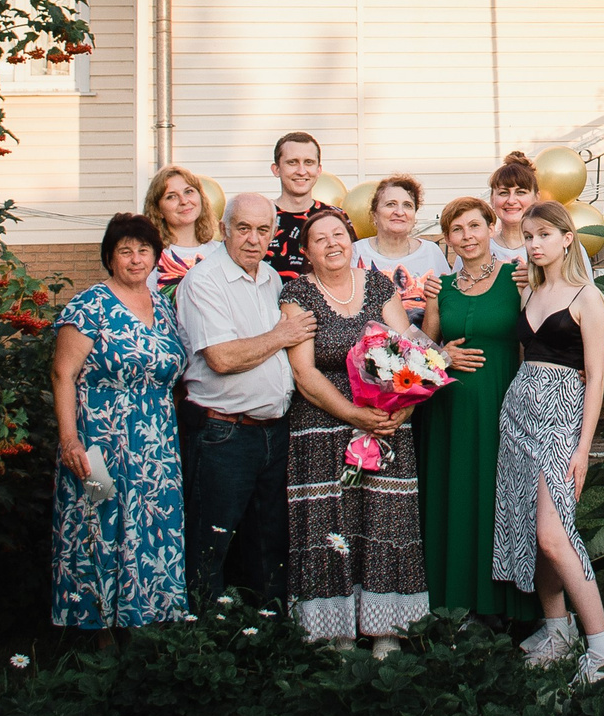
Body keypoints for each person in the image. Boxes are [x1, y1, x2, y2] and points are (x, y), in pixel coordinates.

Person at [279, 206, 429, 656]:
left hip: (384, 422)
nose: (332, 243)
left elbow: (407, 351)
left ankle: (387, 631)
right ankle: (334, 634)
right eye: (320, 239)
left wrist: (402, 406)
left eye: (339, 235)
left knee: (386, 519)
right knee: (330, 524)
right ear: (307, 251)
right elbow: (304, 373)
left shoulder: (379, 285)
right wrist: (352, 414)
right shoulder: (297, 294)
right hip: (322, 425)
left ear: (351, 239)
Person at [50, 213, 189, 637]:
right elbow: (62, 374)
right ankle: (97, 638)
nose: (135, 259)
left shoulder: (164, 307)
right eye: (124, 251)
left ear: (156, 257)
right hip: (99, 445)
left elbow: (175, 374)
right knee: (100, 526)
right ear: (109, 258)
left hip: (156, 448)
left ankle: (147, 629)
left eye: (143, 250)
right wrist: (69, 439)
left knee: (153, 529)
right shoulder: (90, 305)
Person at [494, 202, 604, 682]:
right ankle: (556, 630)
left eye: (544, 234)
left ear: (568, 238)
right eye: (527, 236)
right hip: (520, 410)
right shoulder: (532, 290)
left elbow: (596, 378)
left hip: (562, 414)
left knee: (553, 532)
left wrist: (584, 448)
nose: (534, 244)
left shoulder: (588, 298)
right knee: (531, 528)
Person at [175, 193, 313, 606]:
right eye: (243, 228)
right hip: (223, 433)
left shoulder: (270, 278)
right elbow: (221, 358)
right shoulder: (203, 282)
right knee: (210, 541)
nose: (253, 239)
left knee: (266, 540)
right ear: (223, 230)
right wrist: (282, 335)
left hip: (272, 432)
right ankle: (200, 647)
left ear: (273, 233)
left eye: (262, 229)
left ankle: (263, 636)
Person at [420, 197, 539, 623]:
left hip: (503, 403)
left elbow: (536, 340)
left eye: (474, 226)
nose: (466, 237)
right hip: (448, 412)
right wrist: (441, 356)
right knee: (456, 495)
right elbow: (423, 352)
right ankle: (453, 603)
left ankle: (505, 606)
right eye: (457, 230)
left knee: (500, 496)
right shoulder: (439, 289)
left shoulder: (519, 277)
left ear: (491, 227)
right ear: (447, 238)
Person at [355, 174, 447, 326]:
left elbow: (446, 305)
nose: (399, 211)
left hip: (425, 346)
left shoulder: (432, 252)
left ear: (414, 216)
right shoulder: (356, 252)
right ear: (374, 215)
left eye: (407, 205)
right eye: (391, 204)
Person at [145, 165, 223, 289]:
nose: (184, 201)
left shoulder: (221, 252)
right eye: (171, 196)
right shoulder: (151, 258)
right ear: (158, 210)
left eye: (188, 191)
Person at [266, 132, 331, 279]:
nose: (301, 171)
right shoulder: (260, 216)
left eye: (308, 162)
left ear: (318, 169)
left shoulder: (335, 217)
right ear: (276, 169)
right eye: (292, 162)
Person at [487, 152, 541, 257]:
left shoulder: (558, 245)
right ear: (492, 199)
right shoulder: (478, 248)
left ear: (536, 198)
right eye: (504, 193)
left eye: (520, 192)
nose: (511, 201)